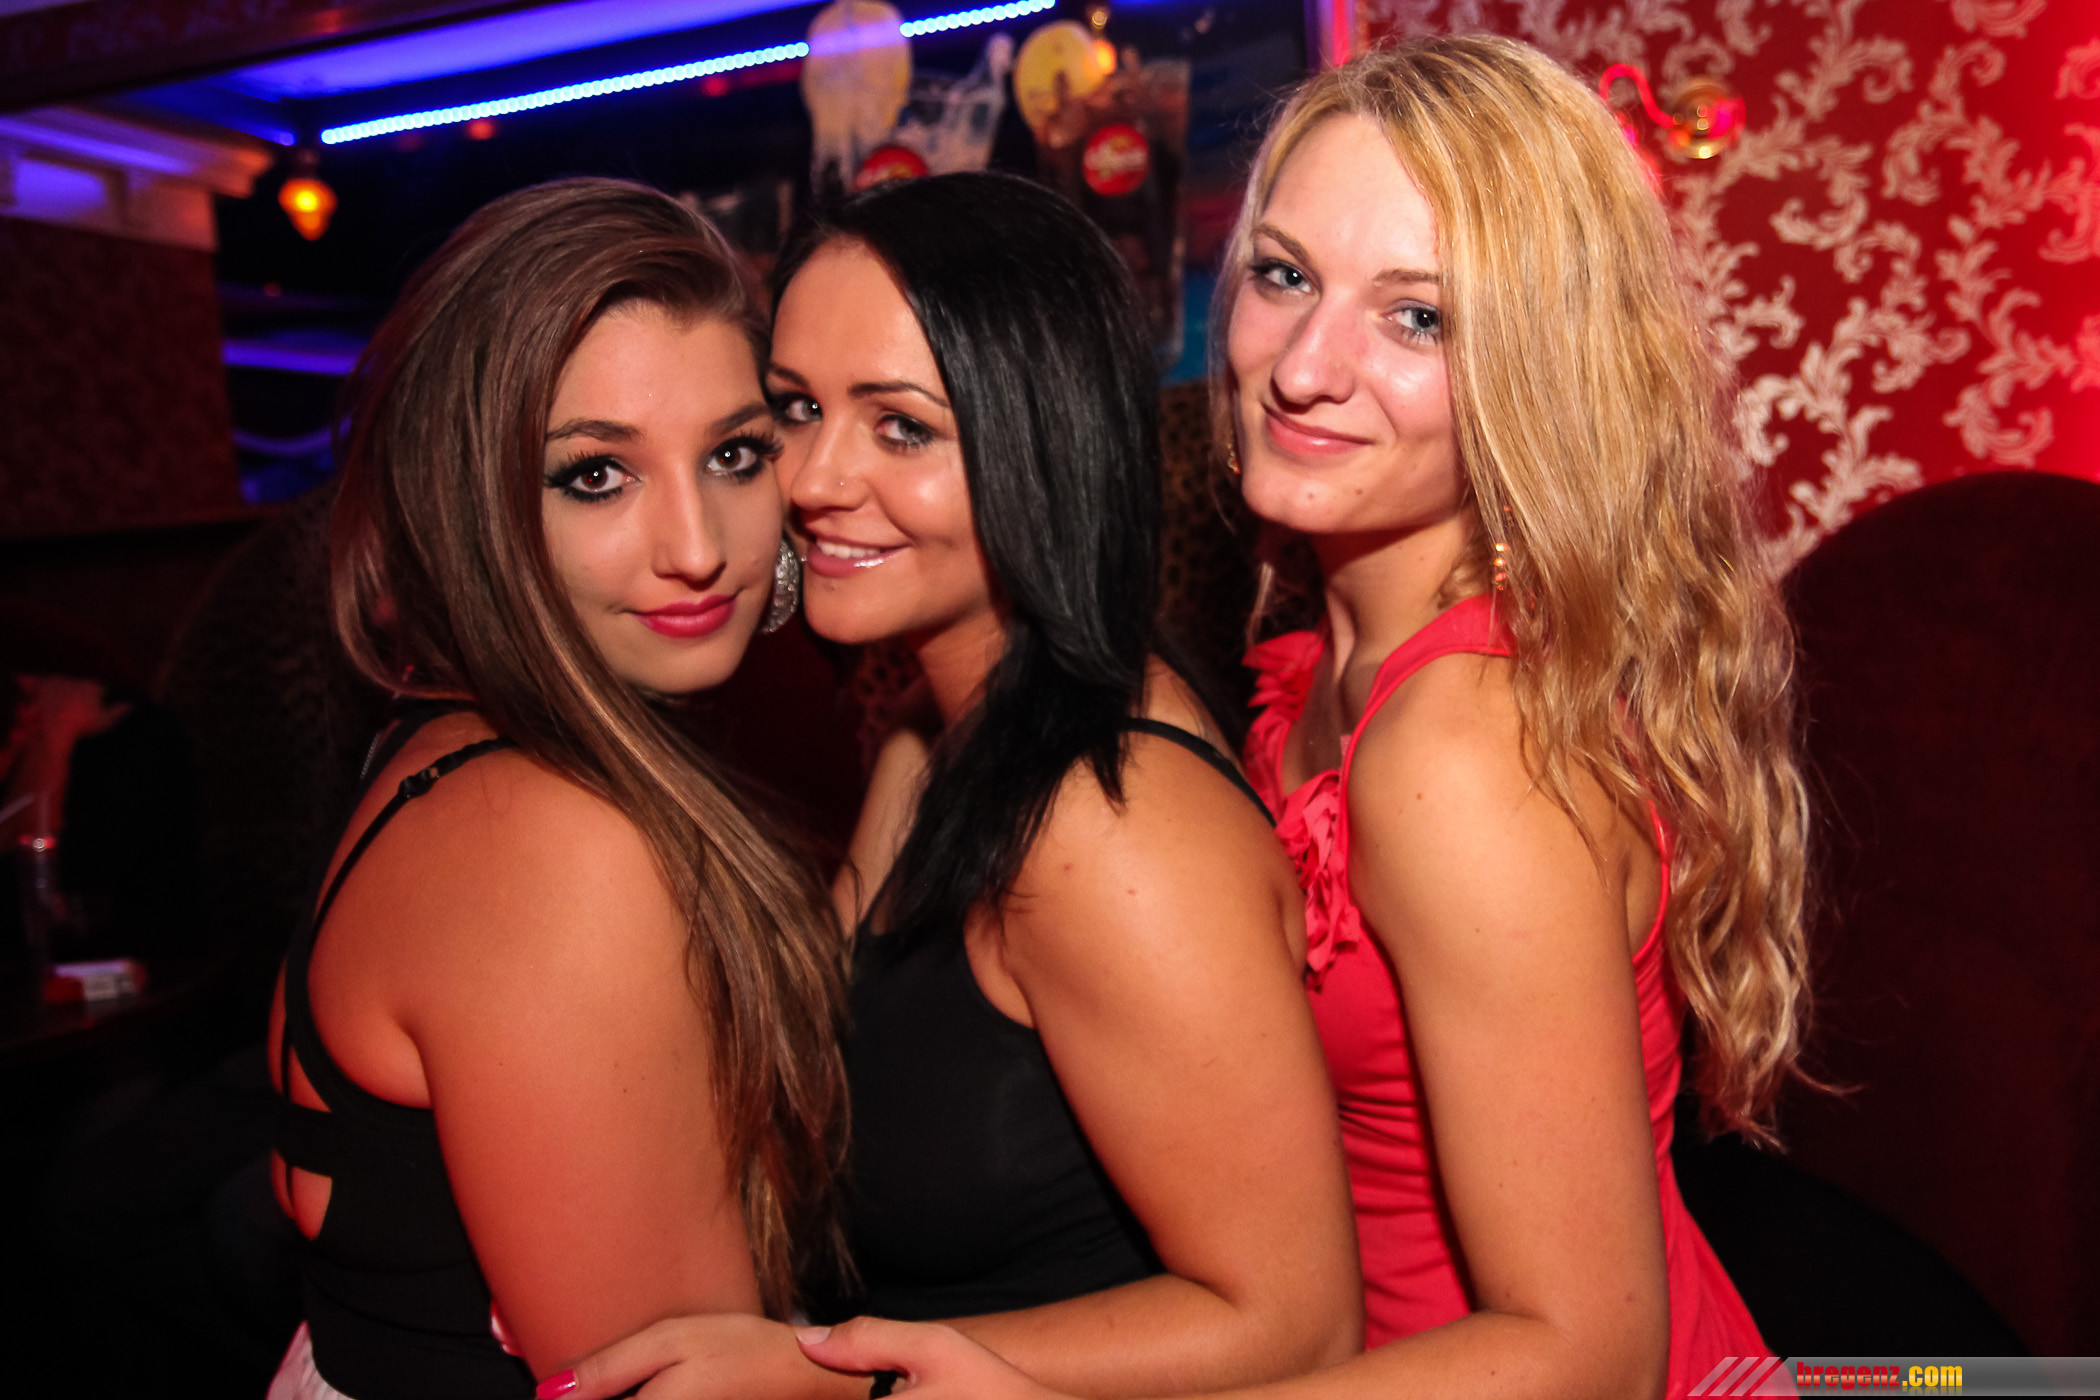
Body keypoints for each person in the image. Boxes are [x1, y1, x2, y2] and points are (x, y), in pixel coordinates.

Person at [789, 34, 1808, 1400]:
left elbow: (1591, 1355)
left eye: (1417, 317)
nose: (1305, 366)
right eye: (1283, 276)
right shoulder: (1327, 662)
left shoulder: (1462, 752)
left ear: (1544, 366)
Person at [547, 173, 1361, 1400]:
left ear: (1044, 442)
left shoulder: (1107, 826)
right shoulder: (924, 735)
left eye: (901, 428)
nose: (813, 479)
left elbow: (1295, 1323)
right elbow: (802, 1082)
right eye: (796, 409)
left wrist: (825, 1376)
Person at [265, 178, 849, 1400]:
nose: (698, 546)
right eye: (595, 475)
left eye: (734, 455)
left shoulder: (441, 745)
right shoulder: (554, 845)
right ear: (463, 502)